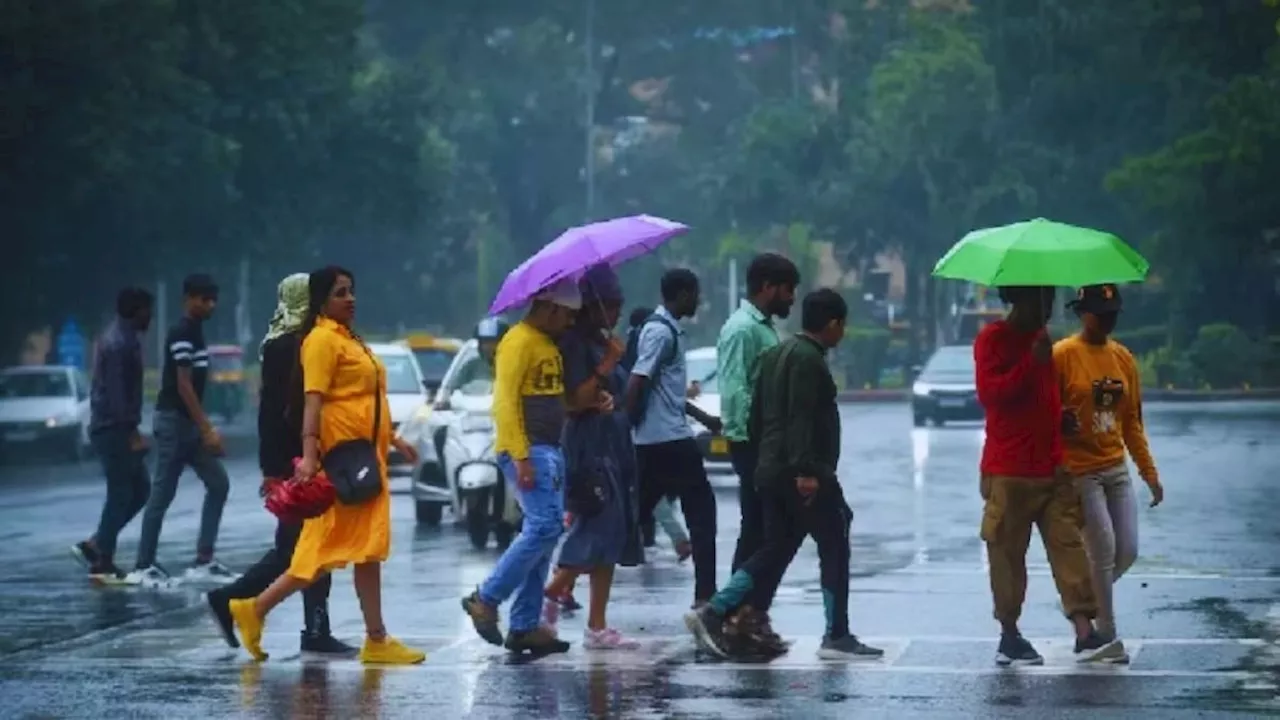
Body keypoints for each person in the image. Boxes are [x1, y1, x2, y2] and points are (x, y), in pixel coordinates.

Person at [225, 266, 425, 665]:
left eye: (352, 291)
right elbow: (312, 402)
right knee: (319, 552)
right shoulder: (319, 341)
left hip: (365, 458)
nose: (350, 298)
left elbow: (367, 399)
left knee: (364, 549)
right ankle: (254, 609)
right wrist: (311, 456)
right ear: (320, 300)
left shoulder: (347, 337)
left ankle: (376, 639)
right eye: (340, 293)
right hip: (340, 464)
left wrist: (394, 439)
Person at [685, 289, 884, 661]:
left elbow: (758, 415)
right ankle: (836, 634)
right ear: (833, 324)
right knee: (835, 541)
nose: (842, 334)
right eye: (842, 326)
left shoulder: (775, 355)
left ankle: (715, 610)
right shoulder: (809, 360)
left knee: (776, 546)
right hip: (803, 472)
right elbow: (802, 418)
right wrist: (808, 472)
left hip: (771, 468)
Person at [205, 273, 355, 657]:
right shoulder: (286, 345)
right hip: (296, 461)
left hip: (308, 458)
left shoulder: (304, 339)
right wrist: (273, 470)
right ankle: (235, 602)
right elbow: (272, 413)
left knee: (306, 549)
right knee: (298, 551)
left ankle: (313, 629)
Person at [975, 285, 1119, 666]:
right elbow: (991, 395)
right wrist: (1028, 364)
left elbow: (1045, 397)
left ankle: (1085, 632)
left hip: (1053, 467)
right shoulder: (993, 339)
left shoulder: (1043, 339)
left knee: (1069, 548)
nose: (1047, 308)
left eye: (1049, 300)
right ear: (1016, 300)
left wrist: (1062, 420)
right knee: (1007, 555)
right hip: (1009, 470)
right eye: (1039, 299)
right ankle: (1009, 635)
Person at [461, 279, 580, 657]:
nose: (570, 323)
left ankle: (525, 625)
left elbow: (554, 399)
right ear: (549, 308)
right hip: (528, 450)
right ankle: (486, 597)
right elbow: (506, 403)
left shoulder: (548, 345)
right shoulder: (517, 341)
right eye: (567, 315)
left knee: (545, 537)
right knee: (544, 527)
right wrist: (521, 455)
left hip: (550, 450)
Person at [1055, 284, 1164, 663]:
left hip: (1114, 466)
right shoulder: (1063, 355)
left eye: (1113, 314)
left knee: (1127, 550)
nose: (1108, 321)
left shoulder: (1122, 358)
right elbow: (1044, 411)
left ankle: (1084, 601)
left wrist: (1148, 472)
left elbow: (1131, 421)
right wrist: (1058, 422)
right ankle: (1105, 635)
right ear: (1082, 313)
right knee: (1101, 547)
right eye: (1101, 314)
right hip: (1079, 471)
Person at [540, 264, 644, 649]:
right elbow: (574, 400)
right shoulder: (573, 344)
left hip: (613, 443)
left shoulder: (604, 341)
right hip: (588, 447)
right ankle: (550, 592)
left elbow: (607, 394)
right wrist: (606, 366)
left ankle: (597, 624)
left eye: (620, 305)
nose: (617, 312)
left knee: (614, 531)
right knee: (596, 524)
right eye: (611, 304)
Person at [625, 268, 722, 608]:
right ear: (681, 295)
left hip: (656, 441)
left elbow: (664, 393)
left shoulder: (667, 331)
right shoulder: (659, 332)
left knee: (632, 517)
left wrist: (705, 418)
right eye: (696, 293)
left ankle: (567, 579)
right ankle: (705, 597)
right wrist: (625, 426)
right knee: (702, 513)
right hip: (669, 443)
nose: (699, 300)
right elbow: (638, 381)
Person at [131, 274, 235, 587]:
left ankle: (204, 560)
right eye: (204, 299)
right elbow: (183, 384)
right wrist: (207, 428)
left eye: (213, 299)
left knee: (218, 483)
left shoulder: (197, 332)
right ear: (188, 299)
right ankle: (143, 564)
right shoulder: (181, 332)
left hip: (188, 425)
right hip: (174, 422)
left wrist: (201, 428)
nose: (210, 305)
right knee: (163, 492)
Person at [717, 253, 799, 575]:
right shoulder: (742, 330)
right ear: (768, 287)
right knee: (759, 528)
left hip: (766, 441)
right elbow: (736, 389)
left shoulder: (762, 328)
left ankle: (741, 611)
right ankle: (730, 610)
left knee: (762, 528)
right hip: (753, 442)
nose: (792, 298)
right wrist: (747, 441)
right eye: (788, 289)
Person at [71, 288, 155, 583]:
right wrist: (131, 431)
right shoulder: (120, 343)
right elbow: (119, 393)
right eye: (148, 310)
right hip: (113, 428)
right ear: (136, 310)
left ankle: (98, 546)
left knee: (138, 489)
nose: (151, 317)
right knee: (123, 492)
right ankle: (100, 558)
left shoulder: (121, 338)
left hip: (110, 426)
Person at [623, 305, 690, 556]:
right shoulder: (647, 347)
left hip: (643, 432)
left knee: (647, 492)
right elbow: (635, 385)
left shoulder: (631, 349)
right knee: (646, 492)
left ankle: (634, 542)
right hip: (644, 433)